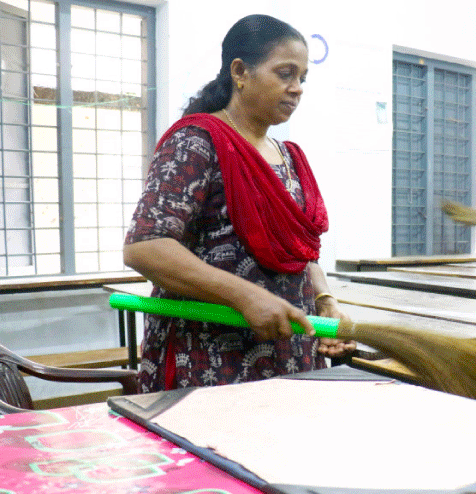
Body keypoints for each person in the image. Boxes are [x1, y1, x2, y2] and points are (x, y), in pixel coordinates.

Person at [123, 15, 354, 393]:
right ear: (240, 72)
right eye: (285, 74)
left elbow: (300, 251)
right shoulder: (196, 143)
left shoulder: (290, 157)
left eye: (302, 78)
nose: (296, 89)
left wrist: (324, 300)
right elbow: (145, 248)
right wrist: (246, 296)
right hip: (212, 360)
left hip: (290, 356)